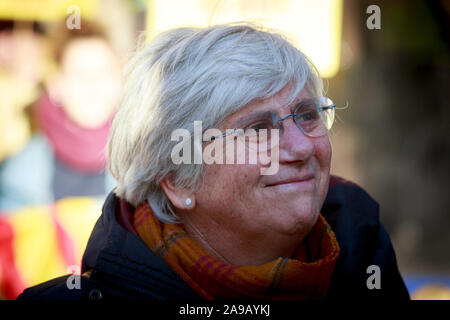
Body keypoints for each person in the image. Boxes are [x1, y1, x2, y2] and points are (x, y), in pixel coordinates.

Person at [17, 24, 409, 300]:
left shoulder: (364, 257)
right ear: (178, 180)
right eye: (257, 129)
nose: (301, 147)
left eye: (307, 114)